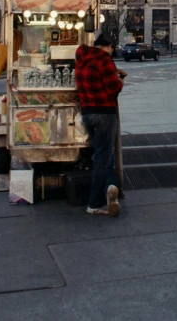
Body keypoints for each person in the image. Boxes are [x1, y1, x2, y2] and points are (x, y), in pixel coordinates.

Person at [75, 33, 126, 216]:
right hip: (105, 113)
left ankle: (111, 189)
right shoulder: (104, 60)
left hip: (88, 113)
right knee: (102, 158)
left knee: (104, 155)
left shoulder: (81, 58)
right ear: (109, 47)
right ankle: (94, 203)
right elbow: (113, 89)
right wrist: (120, 80)